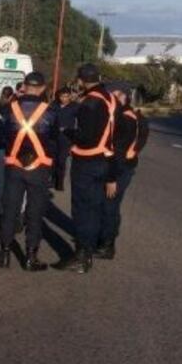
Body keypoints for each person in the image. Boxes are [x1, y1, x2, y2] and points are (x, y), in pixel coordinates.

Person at [54, 63, 119, 274]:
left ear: (81, 80)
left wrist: (69, 132)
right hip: (104, 158)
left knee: (82, 210)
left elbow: (86, 137)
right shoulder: (109, 98)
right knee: (95, 208)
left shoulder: (90, 103)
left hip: (87, 161)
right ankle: (90, 249)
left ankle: (82, 256)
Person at [0, 71, 59, 271]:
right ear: (42, 88)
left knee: (10, 210)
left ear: (24, 86)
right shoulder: (50, 111)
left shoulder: (9, 108)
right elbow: (55, 140)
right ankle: (30, 257)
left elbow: (2, 134)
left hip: (13, 166)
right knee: (35, 212)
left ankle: (4, 254)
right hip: (39, 168)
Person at [95, 81, 149, 259]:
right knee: (108, 204)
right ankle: (104, 238)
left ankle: (107, 244)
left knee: (109, 205)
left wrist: (111, 177)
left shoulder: (125, 118)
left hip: (119, 169)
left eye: (110, 94)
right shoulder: (133, 116)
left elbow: (117, 151)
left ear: (119, 95)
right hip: (123, 166)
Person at [50, 87, 78, 191]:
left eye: (66, 96)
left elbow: (80, 121)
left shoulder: (75, 107)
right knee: (53, 160)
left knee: (61, 160)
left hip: (66, 138)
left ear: (70, 96)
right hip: (54, 136)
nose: (64, 99)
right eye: (62, 96)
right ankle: (52, 180)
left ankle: (59, 183)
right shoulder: (54, 105)